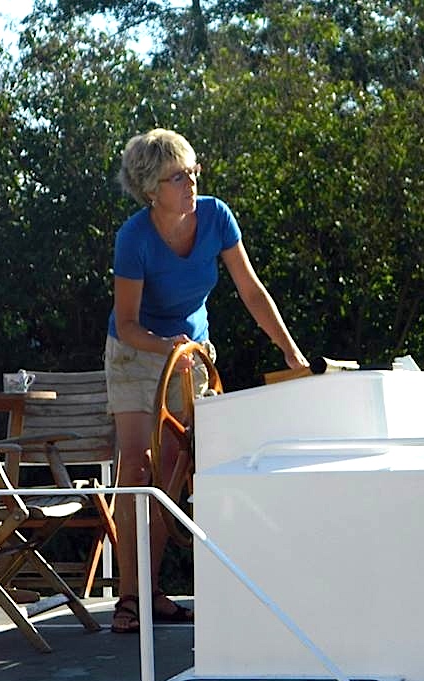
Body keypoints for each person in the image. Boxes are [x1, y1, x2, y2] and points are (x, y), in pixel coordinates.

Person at [104, 128, 309, 633]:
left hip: (190, 354)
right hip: (136, 352)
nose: (192, 182)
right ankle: (132, 599)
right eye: (179, 176)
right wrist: (166, 345)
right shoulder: (134, 238)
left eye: (194, 171)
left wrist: (290, 351)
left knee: (174, 469)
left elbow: (252, 291)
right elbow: (128, 325)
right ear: (152, 188)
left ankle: (152, 592)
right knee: (136, 467)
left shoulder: (216, 217)